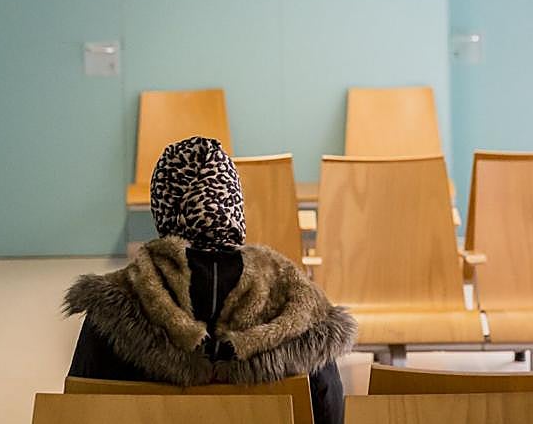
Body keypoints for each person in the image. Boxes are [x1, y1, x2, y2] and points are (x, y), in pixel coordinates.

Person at [65, 136, 356, 423]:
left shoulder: (114, 305)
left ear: (163, 208)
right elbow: (328, 412)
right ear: (234, 204)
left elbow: (77, 412)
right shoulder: (297, 305)